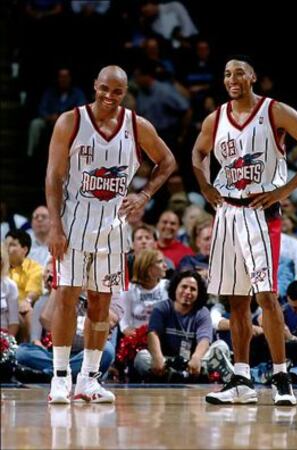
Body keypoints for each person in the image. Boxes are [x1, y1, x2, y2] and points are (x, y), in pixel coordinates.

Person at [192, 55, 297, 406]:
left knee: (266, 297)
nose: (232, 79)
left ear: (253, 76)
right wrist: (206, 187)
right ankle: (241, 378)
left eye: (239, 72)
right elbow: (198, 154)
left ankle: (280, 375)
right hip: (227, 213)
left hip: (262, 214)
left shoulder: (274, 111)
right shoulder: (216, 118)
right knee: (236, 301)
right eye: (227, 74)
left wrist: (286, 188)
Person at [45, 64, 175, 404]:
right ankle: (61, 376)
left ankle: (89, 378)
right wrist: (55, 226)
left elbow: (168, 161)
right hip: (73, 225)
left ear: (125, 92)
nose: (109, 96)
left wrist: (144, 195)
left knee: (101, 303)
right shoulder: (70, 122)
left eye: (117, 91)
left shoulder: (137, 126)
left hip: (115, 232)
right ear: (94, 86)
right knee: (67, 298)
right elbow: (53, 177)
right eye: (104, 88)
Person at [134, 270, 233, 383]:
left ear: (199, 294)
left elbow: (204, 339)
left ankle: (184, 374)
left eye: (193, 289)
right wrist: (157, 358)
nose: (187, 292)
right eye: (184, 287)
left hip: (193, 362)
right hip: (166, 360)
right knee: (141, 357)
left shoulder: (202, 312)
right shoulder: (161, 308)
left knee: (221, 346)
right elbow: (153, 334)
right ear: (175, 287)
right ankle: (177, 375)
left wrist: (196, 358)